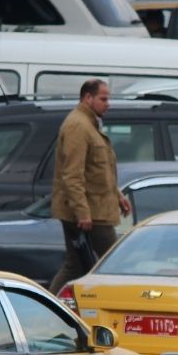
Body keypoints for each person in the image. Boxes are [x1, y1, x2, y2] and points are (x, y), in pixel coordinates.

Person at [49, 78, 131, 293]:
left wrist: (118, 195)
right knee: (112, 263)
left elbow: (97, 171)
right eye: (103, 99)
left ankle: (55, 307)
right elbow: (72, 174)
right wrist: (82, 213)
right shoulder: (78, 126)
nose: (108, 103)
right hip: (92, 214)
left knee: (76, 265)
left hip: (98, 208)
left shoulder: (89, 124)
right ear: (88, 98)